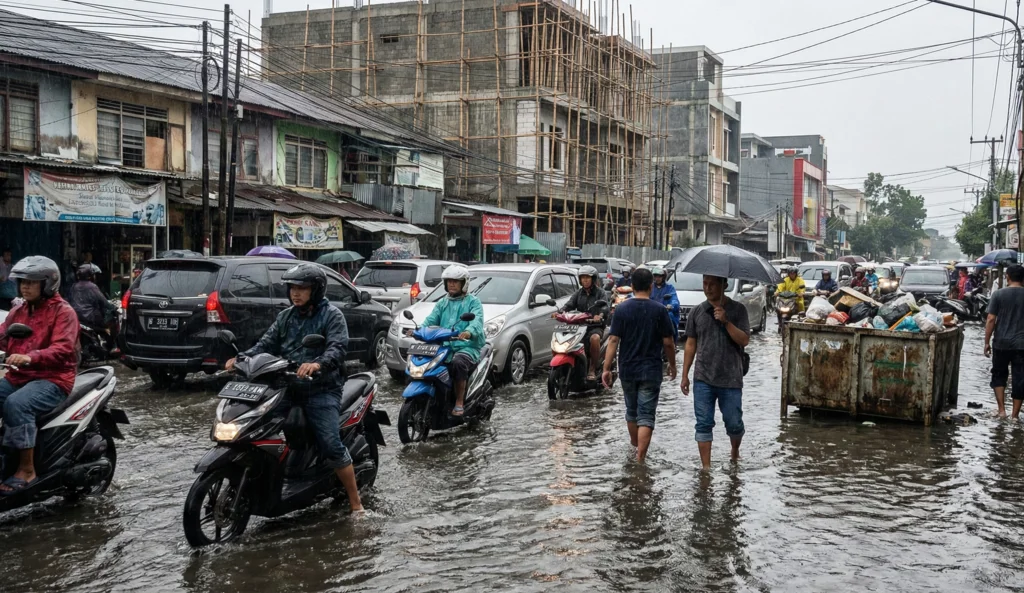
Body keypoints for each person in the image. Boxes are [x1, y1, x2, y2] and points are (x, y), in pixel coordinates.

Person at [223, 263, 363, 512]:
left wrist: (318, 364)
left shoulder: (332, 315)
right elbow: (265, 343)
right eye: (292, 288)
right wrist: (241, 359)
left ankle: (356, 505)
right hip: (285, 386)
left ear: (316, 290)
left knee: (331, 444)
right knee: (255, 426)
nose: (295, 293)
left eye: (302, 288)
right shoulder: (285, 317)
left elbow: (337, 348)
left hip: (321, 389)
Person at [0, 256, 79, 494]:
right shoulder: (18, 311)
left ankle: (26, 469)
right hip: (19, 377)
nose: (25, 286)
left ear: (47, 283)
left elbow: (63, 348)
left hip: (53, 379)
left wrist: (30, 357)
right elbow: (3, 335)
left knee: (17, 404)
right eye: (23, 281)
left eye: (32, 282)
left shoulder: (63, 312)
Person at [602, 268, 676, 463]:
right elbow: (668, 342)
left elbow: (613, 341)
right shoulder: (659, 310)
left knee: (632, 412)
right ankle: (640, 458)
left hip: (628, 368)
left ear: (632, 286)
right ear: (651, 287)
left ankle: (635, 447)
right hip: (651, 370)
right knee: (647, 415)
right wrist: (673, 366)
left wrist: (606, 368)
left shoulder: (621, 309)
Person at [680, 275, 750, 470]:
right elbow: (691, 344)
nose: (708, 288)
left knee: (734, 424)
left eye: (712, 284)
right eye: (705, 283)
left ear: (724, 285)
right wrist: (685, 374)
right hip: (703, 377)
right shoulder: (697, 312)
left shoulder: (738, 310)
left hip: (731, 378)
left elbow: (744, 340)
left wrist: (726, 322)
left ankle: (734, 451)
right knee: (703, 424)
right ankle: (706, 469)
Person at [421, 265, 485, 416]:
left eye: (455, 281)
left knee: (458, 363)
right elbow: (431, 319)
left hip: (467, 347)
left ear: (464, 283)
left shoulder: (473, 302)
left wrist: (469, 332)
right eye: (449, 281)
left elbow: (477, 321)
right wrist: (419, 331)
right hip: (445, 347)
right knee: (426, 362)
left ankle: (459, 401)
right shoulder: (443, 303)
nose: (451, 284)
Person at [984, 264, 1024, 419]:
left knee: (999, 375)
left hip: (1001, 343)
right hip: (1022, 345)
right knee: (1020, 378)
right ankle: (1015, 416)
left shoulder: (998, 295)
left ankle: (1001, 411)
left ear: (1007, 277)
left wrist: (986, 342)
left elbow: (991, 319)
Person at [556, 265, 608, 381]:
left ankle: (592, 368)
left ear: (593, 279)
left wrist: (599, 316)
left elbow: (605, 307)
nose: (585, 280)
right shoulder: (578, 293)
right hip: (578, 326)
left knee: (594, 339)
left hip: (594, 326)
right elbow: (569, 305)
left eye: (587, 278)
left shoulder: (600, 293)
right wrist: (560, 312)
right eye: (583, 278)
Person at [650, 267, 681, 338]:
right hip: (651, 313)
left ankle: (673, 342)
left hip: (665, 312)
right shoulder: (650, 287)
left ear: (663, 277)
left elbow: (674, 299)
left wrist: (671, 306)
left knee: (670, 317)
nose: (657, 278)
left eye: (659, 276)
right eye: (655, 276)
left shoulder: (670, 288)